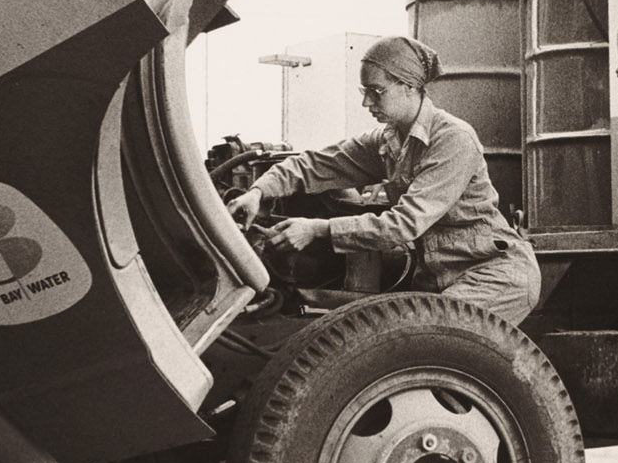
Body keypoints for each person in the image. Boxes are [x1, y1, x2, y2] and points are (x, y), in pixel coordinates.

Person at [226, 35, 541, 325]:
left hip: (494, 275)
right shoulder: (386, 142)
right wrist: (258, 191)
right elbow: (315, 164)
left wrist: (317, 230)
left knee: (419, 340)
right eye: (365, 92)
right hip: (438, 281)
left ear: (408, 86)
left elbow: (403, 225)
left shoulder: (452, 140)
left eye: (376, 92)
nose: (367, 103)